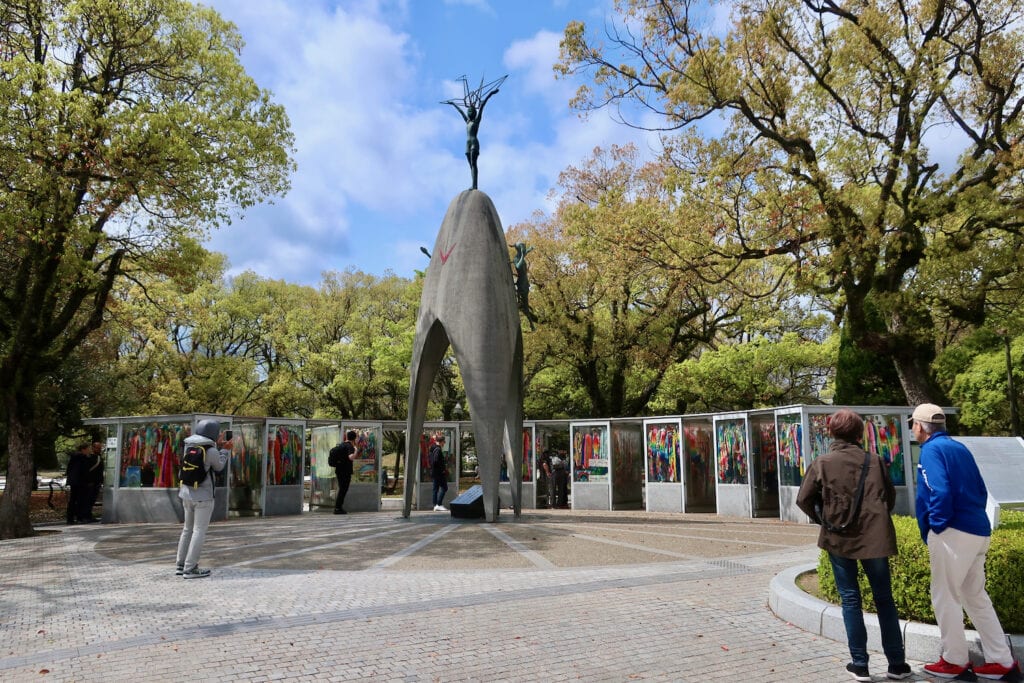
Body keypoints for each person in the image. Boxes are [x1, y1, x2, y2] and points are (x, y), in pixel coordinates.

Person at [796, 409, 911, 682]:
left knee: (850, 599)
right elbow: (889, 498)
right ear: (859, 433)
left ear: (832, 432)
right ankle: (897, 664)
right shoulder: (876, 461)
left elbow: (803, 499)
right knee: (884, 600)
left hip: (839, 539)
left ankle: (860, 664)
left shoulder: (823, 462)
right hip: (875, 538)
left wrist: (825, 519)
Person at [912, 403, 1021, 682]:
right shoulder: (958, 447)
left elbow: (940, 490)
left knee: (945, 596)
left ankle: (954, 661)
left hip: (953, 532)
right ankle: (1002, 661)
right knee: (975, 597)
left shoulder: (931, 450)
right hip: (977, 529)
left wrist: (937, 525)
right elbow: (980, 489)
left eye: (913, 423)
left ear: (921, 427)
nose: (913, 428)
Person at [175, 419, 229, 579]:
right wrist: (224, 450)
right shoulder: (211, 450)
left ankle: (180, 564)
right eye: (218, 432)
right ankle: (190, 568)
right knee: (199, 531)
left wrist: (217, 444)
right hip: (203, 496)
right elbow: (219, 467)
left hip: (186, 494)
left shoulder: (189, 446)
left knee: (187, 529)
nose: (220, 434)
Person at [330, 430, 359, 515]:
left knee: (341, 488)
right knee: (343, 489)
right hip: (345, 471)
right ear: (354, 438)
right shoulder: (350, 446)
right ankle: (338, 508)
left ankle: (338, 507)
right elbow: (351, 457)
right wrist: (356, 451)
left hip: (339, 470)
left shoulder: (342, 445)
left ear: (347, 437)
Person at [64, 443, 90, 525]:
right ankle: (79, 517)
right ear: (83, 449)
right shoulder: (82, 458)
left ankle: (70, 518)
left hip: (74, 482)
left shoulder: (74, 458)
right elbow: (83, 471)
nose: (88, 451)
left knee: (73, 500)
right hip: (80, 482)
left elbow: (69, 469)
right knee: (79, 500)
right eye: (87, 449)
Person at [429, 434, 448, 512]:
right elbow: (436, 461)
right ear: (441, 442)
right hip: (439, 473)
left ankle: (435, 505)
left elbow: (431, 460)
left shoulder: (432, 448)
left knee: (435, 489)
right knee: (444, 487)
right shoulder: (438, 449)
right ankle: (439, 504)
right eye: (444, 442)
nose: (444, 444)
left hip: (434, 472)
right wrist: (442, 469)